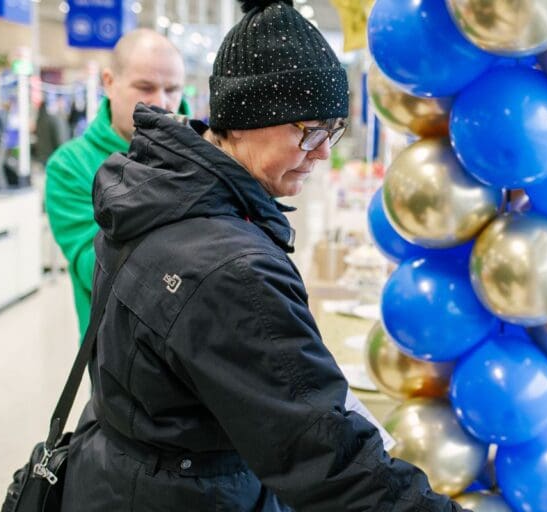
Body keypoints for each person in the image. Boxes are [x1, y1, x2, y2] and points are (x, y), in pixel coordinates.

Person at [61, 1, 464, 510]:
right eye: (308, 130)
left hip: (119, 475)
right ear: (247, 120)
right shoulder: (232, 269)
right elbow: (328, 459)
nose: (322, 151)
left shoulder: (152, 189)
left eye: (332, 130)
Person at [46, 28, 187, 339]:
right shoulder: (71, 165)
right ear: (109, 82)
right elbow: (95, 268)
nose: (161, 103)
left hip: (202, 352)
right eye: (145, 87)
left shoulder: (206, 152)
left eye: (173, 89)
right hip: (120, 361)